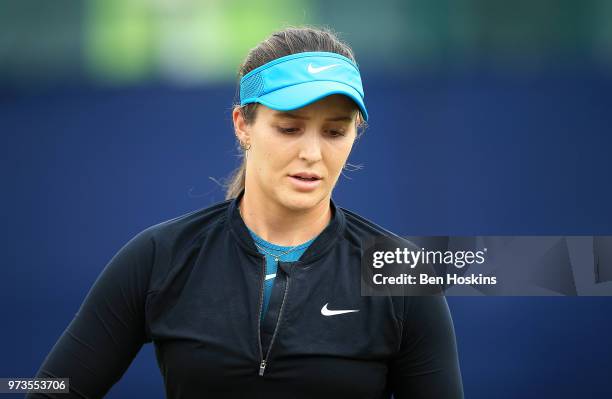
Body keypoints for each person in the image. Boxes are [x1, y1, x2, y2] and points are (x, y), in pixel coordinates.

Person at [27, 26, 463, 398]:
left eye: (335, 131)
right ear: (243, 124)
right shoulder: (160, 257)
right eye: (289, 128)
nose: (312, 152)